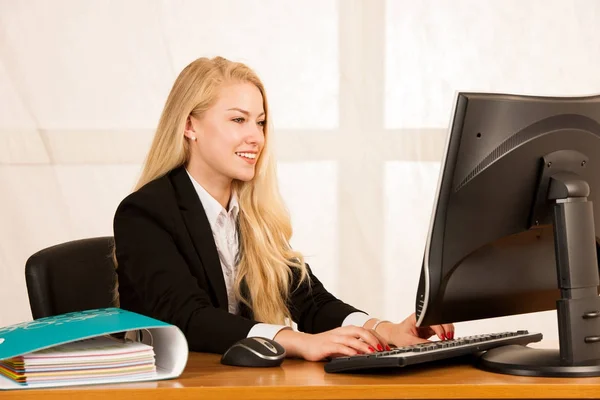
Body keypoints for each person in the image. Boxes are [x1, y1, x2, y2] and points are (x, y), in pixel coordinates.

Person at [113, 56, 454, 361]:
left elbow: (309, 301)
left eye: (259, 123)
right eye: (238, 120)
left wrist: (385, 329)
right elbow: (189, 317)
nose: (256, 137)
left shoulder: (250, 213)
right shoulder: (144, 213)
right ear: (190, 126)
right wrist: (296, 341)